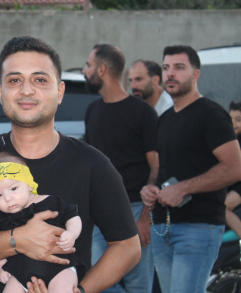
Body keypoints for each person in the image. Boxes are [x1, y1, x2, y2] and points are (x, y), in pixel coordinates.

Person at [0, 36, 141, 293]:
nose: (26, 90)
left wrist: (80, 291)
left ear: (60, 92)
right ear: (1, 92)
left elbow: (127, 246)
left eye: (40, 80)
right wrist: (17, 240)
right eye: (15, 80)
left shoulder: (92, 164)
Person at [141, 45, 241, 293]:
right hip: (163, 226)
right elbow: (159, 166)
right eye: (166, 67)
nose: (170, 73)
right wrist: (149, 188)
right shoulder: (165, 118)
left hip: (198, 227)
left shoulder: (211, 114)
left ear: (196, 74)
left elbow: (234, 167)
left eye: (179, 67)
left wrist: (183, 189)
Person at [82, 44, 158, 293]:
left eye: (88, 65)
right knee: (97, 282)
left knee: (138, 285)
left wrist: (145, 218)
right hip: (100, 212)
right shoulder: (92, 110)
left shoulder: (143, 112)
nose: (84, 70)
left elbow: (156, 168)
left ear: (102, 69)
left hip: (135, 210)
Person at [0, 152, 83, 293]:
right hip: (20, 274)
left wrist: (72, 233)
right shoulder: (0, 217)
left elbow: (73, 217)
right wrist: (1, 267)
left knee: (61, 288)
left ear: (29, 184)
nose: (7, 198)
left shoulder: (52, 202)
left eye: (13, 189)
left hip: (60, 268)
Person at [224, 101, 241, 237]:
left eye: (238, 120)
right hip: (232, 185)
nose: (233, 123)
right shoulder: (230, 141)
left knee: (222, 207)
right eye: (231, 119)